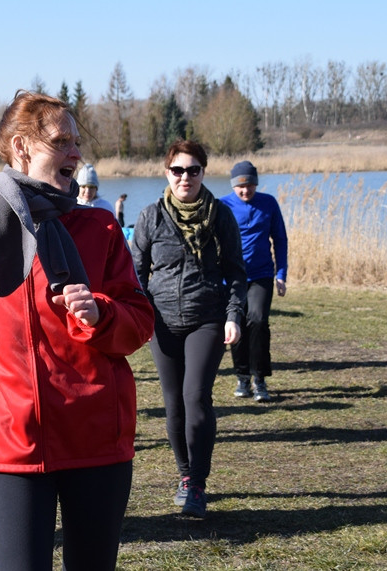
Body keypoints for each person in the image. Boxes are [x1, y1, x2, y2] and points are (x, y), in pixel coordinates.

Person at [0, 91, 154, 571]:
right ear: (22, 146)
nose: (76, 154)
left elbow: (139, 321)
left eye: (76, 141)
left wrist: (101, 314)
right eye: (62, 141)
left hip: (96, 440)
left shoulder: (100, 227)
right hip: (12, 442)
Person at [131, 140, 247, 518]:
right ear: (167, 173)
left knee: (196, 397)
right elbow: (135, 271)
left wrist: (233, 314)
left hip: (207, 318)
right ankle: (183, 475)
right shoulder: (151, 217)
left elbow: (235, 272)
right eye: (178, 170)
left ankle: (197, 483)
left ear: (203, 173)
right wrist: (141, 311)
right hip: (162, 323)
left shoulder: (220, 217)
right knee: (173, 403)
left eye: (193, 170)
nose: (185, 177)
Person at [220, 161, 288, 402]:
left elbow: (280, 239)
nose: (245, 191)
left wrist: (281, 274)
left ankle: (259, 378)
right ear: (233, 186)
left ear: (256, 184)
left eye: (249, 185)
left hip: (261, 275)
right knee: (235, 325)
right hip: (232, 278)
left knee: (257, 321)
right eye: (240, 187)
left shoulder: (268, 203)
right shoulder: (223, 205)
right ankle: (242, 377)